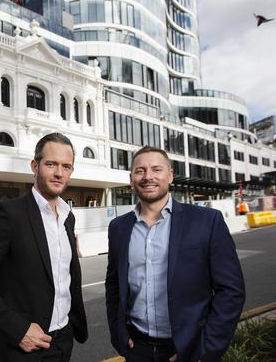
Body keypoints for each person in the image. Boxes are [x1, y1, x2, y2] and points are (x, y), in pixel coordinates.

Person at [105, 146, 245, 362]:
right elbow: (114, 284)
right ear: (131, 178)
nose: (148, 177)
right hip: (136, 348)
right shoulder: (118, 228)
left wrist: (205, 348)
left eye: (156, 169)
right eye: (140, 170)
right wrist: (118, 333)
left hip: (188, 349)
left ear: (170, 175)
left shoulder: (207, 221)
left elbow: (231, 291)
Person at [0, 132, 88, 362]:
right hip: (22, 348)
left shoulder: (68, 218)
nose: (59, 173)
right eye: (51, 164)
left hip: (63, 342)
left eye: (66, 166)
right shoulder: (9, 213)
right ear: (35, 166)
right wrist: (18, 329)